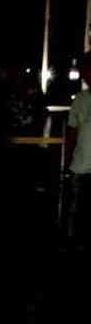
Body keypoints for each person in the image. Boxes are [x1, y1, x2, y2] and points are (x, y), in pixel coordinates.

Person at [65, 51, 91, 259]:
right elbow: (72, 133)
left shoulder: (81, 99)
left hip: (81, 167)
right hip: (81, 167)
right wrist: (68, 162)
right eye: (85, 70)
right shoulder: (80, 99)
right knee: (77, 215)